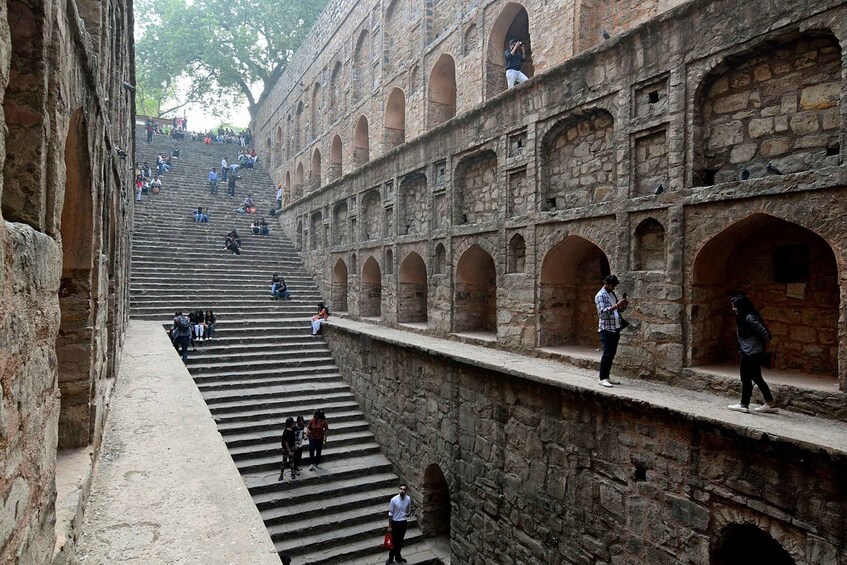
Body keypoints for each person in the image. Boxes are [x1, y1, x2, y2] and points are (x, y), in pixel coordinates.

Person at [728, 294, 778, 414]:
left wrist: (756, 342)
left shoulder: (749, 318)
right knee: (757, 378)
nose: (734, 309)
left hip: (750, 352)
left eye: (735, 306)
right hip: (751, 350)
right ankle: (770, 404)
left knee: (745, 378)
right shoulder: (746, 317)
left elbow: (764, 333)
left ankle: (744, 404)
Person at [594, 274, 628, 388]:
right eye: (612, 285)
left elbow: (616, 310)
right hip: (606, 328)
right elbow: (602, 313)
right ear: (606, 283)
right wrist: (616, 305)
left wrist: (622, 306)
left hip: (615, 327)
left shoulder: (611, 294)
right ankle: (602, 378)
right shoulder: (600, 296)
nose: (614, 287)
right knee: (607, 353)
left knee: (612, 354)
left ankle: (607, 376)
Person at [385, 484, 413, 564]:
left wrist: (407, 514)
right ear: (399, 489)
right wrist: (390, 526)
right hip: (395, 523)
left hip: (403, 522)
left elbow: (408, 509)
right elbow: (390, 513)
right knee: (393, 541)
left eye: (404, 489)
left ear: (406, 491)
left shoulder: (408, 499)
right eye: (400, 489)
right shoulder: (394, 500)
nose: (402, 490)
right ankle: (390, 559)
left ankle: (398, 557)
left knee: (400, 541)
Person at [278, 417, 297, 481]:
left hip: (291, 447)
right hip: (286, 449)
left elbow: (294, 438)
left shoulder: (293, 429)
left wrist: (294, 445)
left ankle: (292, 472)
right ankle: (281, 474)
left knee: (291, 461)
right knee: (284, 461)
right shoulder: (286, 432)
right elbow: (285, 443)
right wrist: (289, 451)